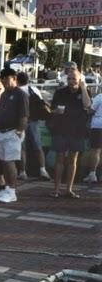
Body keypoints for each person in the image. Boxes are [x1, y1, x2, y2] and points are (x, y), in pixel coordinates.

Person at [50, 69, 91, 198]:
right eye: (69, 79)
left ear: (80, 79)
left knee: (73, 159)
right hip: (61, 129)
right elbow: (53, 108)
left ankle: (69, 189)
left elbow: (87, 105)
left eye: (74, 79)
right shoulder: (60, 92)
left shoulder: (84, 92)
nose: (71, 81)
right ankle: (56, 189)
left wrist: (83, 88)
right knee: (60, 159)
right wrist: (56, 111)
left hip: (77, 130)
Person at [0, 68, 29, 203]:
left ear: (14, 78)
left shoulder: (20, 94)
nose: (3, 81)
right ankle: (7, 189)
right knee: (4, 162)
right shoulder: (4, 94)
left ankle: (12, 191)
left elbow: (24, 116)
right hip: (1, 132)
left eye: (6, 78)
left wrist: (19, 131)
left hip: (12, 132)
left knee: (9, 162)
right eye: (2, 78)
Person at [16, 71, 51, 181]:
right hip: (33, 121)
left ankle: (22, 171)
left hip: (20, 121)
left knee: (22, 147)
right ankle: (43, 169)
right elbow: (42, 103)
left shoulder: (17, 91)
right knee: (38, 146)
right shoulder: (34, 89)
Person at [83, 90, 102, 183]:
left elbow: (90, 110)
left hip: (98, 126)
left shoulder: (99, 97)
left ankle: (92, 174)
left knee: (95, 150)